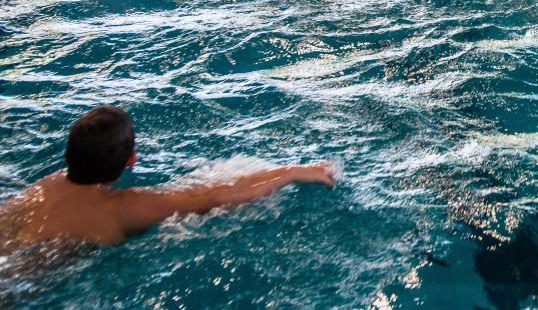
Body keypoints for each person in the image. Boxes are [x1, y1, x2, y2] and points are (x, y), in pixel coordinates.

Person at [0, 106, 336, 253]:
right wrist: (293, 171)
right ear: (130, 161)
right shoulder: (121, 206)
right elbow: (216, 196)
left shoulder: (43, 188)